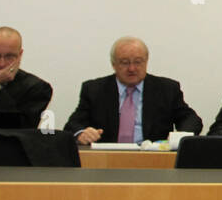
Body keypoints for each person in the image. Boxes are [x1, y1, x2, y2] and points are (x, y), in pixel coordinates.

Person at [65, 36, 202, 145]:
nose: (132, 69)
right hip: (107, 160)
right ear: (113, 64)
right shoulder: (94, 90)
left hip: (153, 159)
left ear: (146, 61)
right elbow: (73, 124)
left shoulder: (166, 89)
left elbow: (191, 119)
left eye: (138, 62)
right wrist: (82, 133)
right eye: (125, 62)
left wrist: (180, 137)